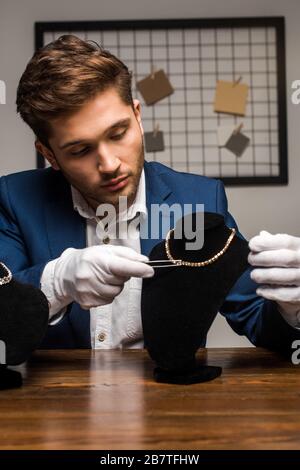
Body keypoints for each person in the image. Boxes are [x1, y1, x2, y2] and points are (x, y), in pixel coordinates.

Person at [0, 34, 299, 351]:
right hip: (54, 399)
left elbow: (255, 316)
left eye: (118, 133)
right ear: (49, 154)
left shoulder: (197, 200)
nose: (110, 164)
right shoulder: (15, 200)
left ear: (138, 117)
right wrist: (56, 282)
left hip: (167, 395)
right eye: (80, 150)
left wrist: (292, 307)